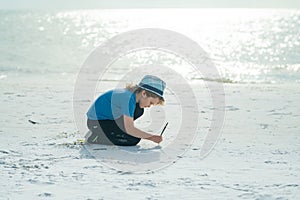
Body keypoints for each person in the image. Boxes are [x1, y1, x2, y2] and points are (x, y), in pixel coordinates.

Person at [86, 75, 166, 146]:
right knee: (133, 140)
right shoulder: (127, 98)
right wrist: (151, 137)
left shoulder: (132, 96)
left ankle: (112, 132)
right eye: (150, 103)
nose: (149, 106)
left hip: (109, 119)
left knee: (139, 110)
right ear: (144, 93)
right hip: (96, 122)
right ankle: (96, 136)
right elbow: (130, 129)